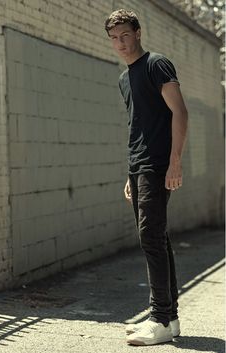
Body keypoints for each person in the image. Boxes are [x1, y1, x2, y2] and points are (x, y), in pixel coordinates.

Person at [104, 9, 188, 346]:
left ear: (138, 32)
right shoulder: (124, 78)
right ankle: (170, 318)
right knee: (157, 236)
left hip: (158, 163)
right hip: (139, 166)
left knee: (149, 237)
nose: (120, 43)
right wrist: (131, 172)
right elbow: (136, 126)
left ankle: (159, 317)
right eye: (113, 38)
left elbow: (179, 112)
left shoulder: (156, 64)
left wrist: (175, 161)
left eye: (125, 35)